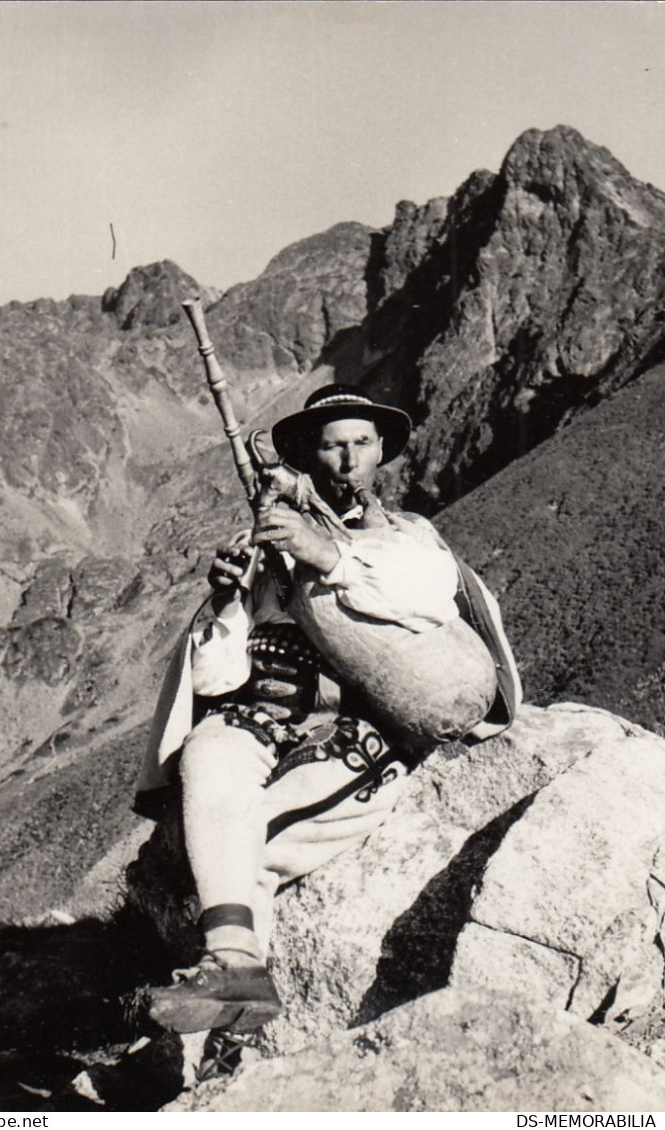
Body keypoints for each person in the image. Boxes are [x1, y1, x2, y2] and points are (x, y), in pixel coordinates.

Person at [134, 384, 521, 1042]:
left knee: (246, 837)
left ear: (381, 454)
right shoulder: (271, 539)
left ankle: (232, 1005)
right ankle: (234, 980)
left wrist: (329, 555)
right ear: (308, 456)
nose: (346, 460)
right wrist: (227, 602)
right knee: (208, 758)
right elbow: (218, 674)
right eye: (331, 445)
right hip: (264, 716)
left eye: (360, 444)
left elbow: (426, 602)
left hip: (361, 731)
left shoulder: (412, 538)